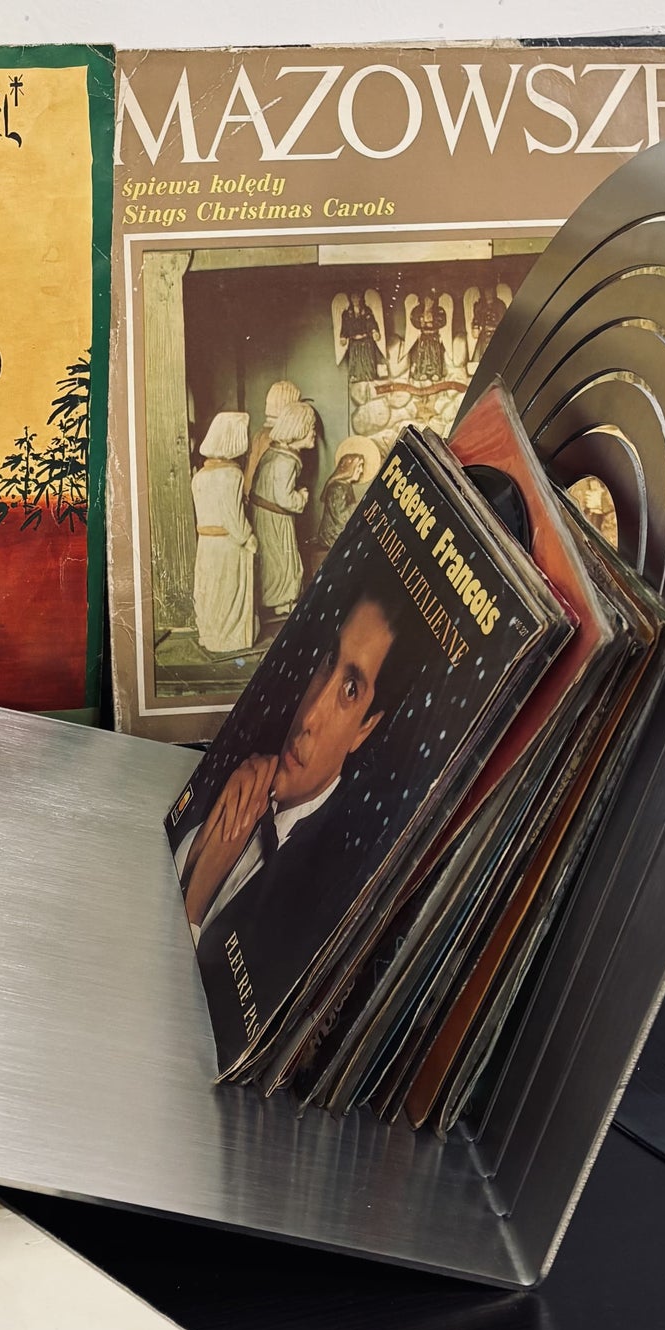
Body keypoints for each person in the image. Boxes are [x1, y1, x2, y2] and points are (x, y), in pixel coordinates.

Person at [175, 571, 417, 939]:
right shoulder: (246, 782)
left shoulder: (328, 881)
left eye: (351, 690)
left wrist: (198, 895)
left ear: (365, 728)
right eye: (329, 660)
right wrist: (206, 841)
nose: (309, 717)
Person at [189, 411, 256, 658]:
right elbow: (233, 518)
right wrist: (248, 538)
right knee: (229, 592)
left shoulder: (200, 476)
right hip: (228, 545)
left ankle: (211, 636)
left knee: (210, 591)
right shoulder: (231, 475)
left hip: (206, 545)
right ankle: (229, 638)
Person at [250, 400, 314, 624]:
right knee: (282, 561)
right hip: (275, 518)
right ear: (298, 429)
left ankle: (278, 600)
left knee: (273, 560)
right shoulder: (285, 461)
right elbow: (284, 498)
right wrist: (301, 497)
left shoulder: (275, 453)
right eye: (311, 428)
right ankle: (282, 601)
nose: (314, 433)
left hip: (266, 516)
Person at [314, 434, 382, 556]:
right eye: (359, 466)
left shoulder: (345, 486)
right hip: (332, 535)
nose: (361, 471)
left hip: (340, 531)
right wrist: (360, 505)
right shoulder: (336, 489)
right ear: (350, 468)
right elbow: (341, 518)